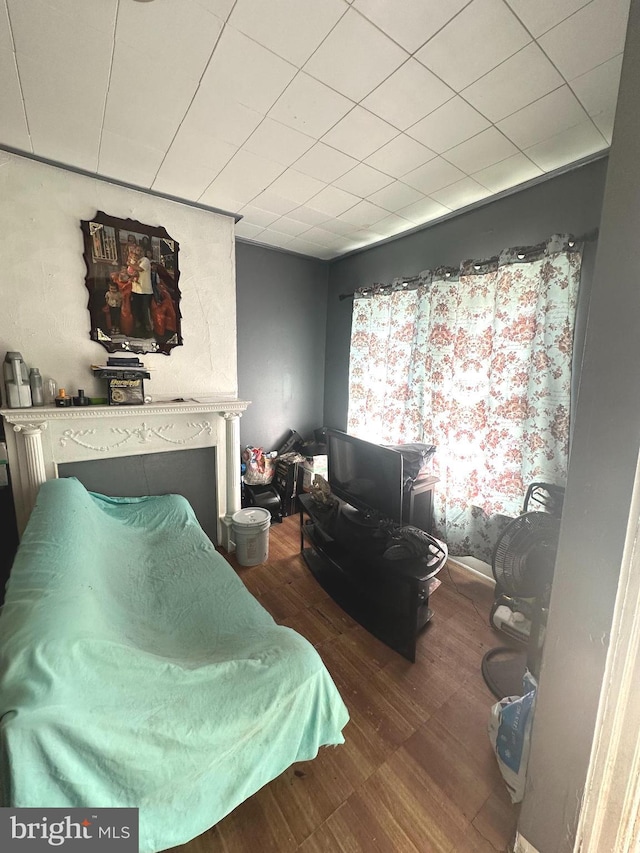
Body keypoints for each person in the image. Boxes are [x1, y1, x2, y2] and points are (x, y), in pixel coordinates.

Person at [129, 245, 153, 336]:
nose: (137, 252)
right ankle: (139, 327)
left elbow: (139, 269)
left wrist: (129, 263)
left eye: (139, 250)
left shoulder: (145, 260)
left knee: (145, 310)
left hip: (145, 291)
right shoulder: (134, 260)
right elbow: (130, 271)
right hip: (135, 289)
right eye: (136, 250)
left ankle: (149, 328)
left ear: (142, 252)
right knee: (136, 309)